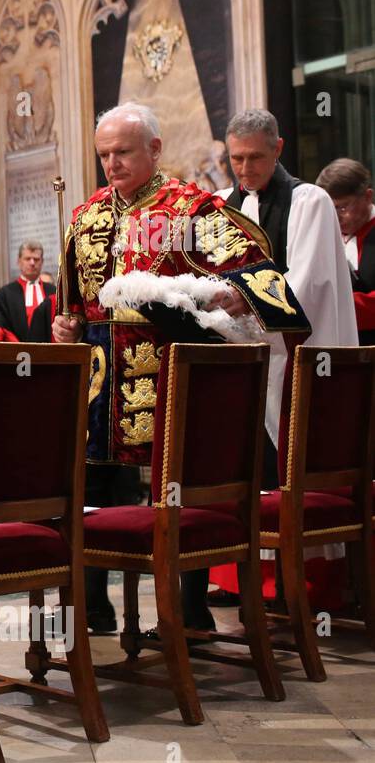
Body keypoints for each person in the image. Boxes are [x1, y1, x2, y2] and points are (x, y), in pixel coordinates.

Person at [52, 102, 310, 635]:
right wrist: (66, 327)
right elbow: (71, 302)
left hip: (172, 365)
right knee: (94, 484)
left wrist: (233, 297)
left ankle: (186, 611)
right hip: (102, 372)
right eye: (104, 154)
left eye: (123, 151)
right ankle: (93, 605)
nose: (112, 163)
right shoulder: (87, 214)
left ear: (155, 149)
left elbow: (258, 272)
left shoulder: (190, 210)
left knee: (180, 489)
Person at [204, 112, 358, 608]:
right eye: (235, 158)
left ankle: (300, 582)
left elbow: (309, 282)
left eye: (255, 157)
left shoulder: (307, 201)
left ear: (279, 149)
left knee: (289, 463)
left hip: (292, 356)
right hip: (241, 358)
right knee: (243, 465)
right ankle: (243, 577)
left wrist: (242, 298)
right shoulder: (222, 206)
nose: (244, 169)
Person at [317, 158, 375, 346]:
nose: (336, 216)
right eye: (329, 208)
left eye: (342, 207)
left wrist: (336, 306)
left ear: (367, 196)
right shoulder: (323, 232)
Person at [0, 241, 55, 342]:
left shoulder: (53, 291)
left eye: (36, 259)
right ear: (19, 261)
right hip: (16, 351)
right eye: (27, 259)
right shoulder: (5, 293)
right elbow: (1, 324)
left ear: (42, 261)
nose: (32, 263)